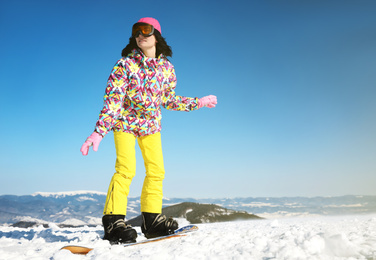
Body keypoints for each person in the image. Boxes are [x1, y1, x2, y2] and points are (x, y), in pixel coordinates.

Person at [80, 17, 217, 244]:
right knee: (126, 169)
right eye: (136, 31)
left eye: (146, 30)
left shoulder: (167, 69)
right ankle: (113, 222)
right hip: (124, 123)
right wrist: (98, 131)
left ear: (157, 36)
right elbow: (113, 101)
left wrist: (198, 102)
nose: (140, 34)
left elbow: (169, 100)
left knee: (156, 171)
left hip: (151, 127)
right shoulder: (124, 65)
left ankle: (152, 221)